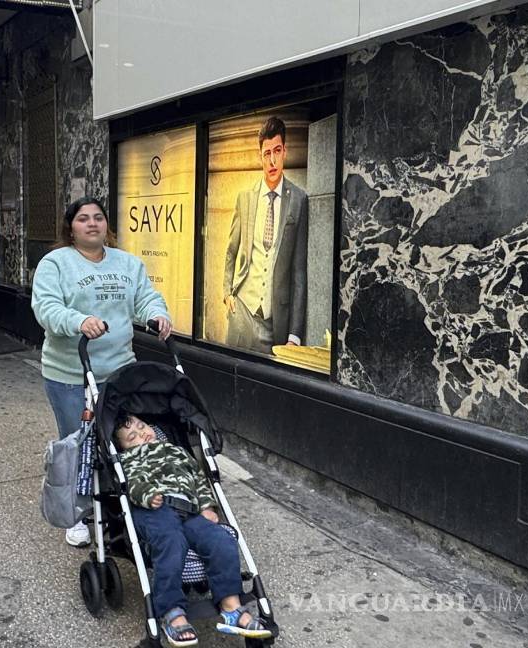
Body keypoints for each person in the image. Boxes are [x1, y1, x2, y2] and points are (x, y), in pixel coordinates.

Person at [31, 195, 172, 547]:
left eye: (98, 217)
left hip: (120, 370)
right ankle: (76, 515)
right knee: (76, 443)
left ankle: (123, 502)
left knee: (124, 438)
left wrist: (157, 314)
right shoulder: (56, 264)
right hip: (70, 373)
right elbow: (46, 308)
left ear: (106, 225)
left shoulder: (128, 263)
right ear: (71, 228)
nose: (92, 223)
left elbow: (145, 297)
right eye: (83, 219)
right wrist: (79, 321)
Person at [114, 413, 271, 645]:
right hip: (154, 510)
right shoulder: (130, 459)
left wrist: (207, 506)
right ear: (124, 447)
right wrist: (147, 494)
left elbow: (198, 479)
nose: (141, 434)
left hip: (190, 509)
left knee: (221, 540)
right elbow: (134, 482)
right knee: (171, 542)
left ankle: (231, 607)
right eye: (132, 437)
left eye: (142, 426)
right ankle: (171, 611)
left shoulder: (177, 451)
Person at [223, 116, 309, 355]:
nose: (272, 160)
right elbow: (231, 250)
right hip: (241, 313)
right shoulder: (245, 198)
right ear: (259, 155)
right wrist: (227, 293)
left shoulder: (299, 201)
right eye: (266, 153)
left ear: (285, 152)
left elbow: (299, 272)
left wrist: (295, 334)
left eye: (277, 151)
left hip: (275, 323)